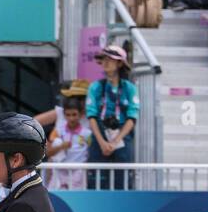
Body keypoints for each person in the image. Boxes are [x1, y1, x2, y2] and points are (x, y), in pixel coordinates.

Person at [85, 44, 139, 178]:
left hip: (122, 136)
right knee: (97, 179)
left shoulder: (130, 88)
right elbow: (91, 116)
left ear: (120, 63)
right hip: (99, 135)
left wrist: (115, 142)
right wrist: (102, 142)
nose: (106, 62)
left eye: (110, 59)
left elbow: (132, 118)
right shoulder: (95, 87)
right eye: (104, 59)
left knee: (123, 178)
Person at [45, 95, 91, 189]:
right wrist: (61, 146)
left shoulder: (87, 134)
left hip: (78, 174)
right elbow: (48, 153)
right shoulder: (57, 131)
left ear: (80, 114)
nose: (71, 118)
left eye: (74, 114)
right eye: (68, 115)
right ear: (64, 115)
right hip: (58, 173)